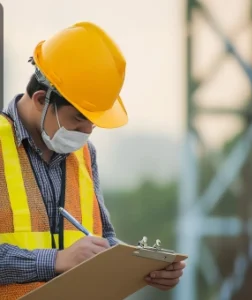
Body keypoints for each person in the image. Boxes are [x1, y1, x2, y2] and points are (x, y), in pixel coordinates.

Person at [0, 21, 185, 299]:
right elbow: (67, 258)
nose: (86, 133)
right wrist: (57, 260)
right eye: (79, 119)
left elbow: (104, 238)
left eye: (94, 124)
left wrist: (142, 265)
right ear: (41, 99)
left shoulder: (85, 154)